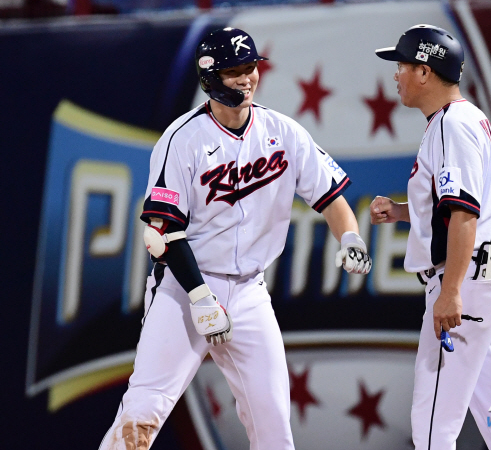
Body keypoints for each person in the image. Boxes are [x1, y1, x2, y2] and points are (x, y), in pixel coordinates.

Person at [99, 27, 372, 450]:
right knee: (143, 413)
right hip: (185, 290)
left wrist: (350, 236)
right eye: (234, 71)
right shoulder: (181, 140)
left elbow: (330, 196)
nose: (246, 78)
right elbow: (161, 230)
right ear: (209, 77)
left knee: (274, 427)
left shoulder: (283, 132)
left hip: (248, 292)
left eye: (250, 68)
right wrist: (200, 297)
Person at [370, 25, 491, 450]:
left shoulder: (451, 126)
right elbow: (456, 206)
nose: (397, 75)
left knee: (431, 429)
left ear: (424, 72)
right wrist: (405, 212)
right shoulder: (470, 118)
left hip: (467, 285)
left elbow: (464, 213)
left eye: (403, 66)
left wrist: (452, 292)